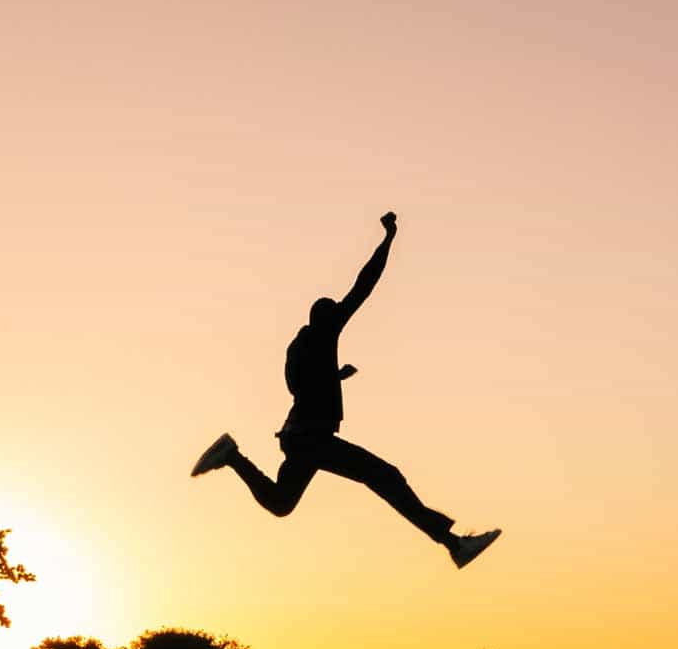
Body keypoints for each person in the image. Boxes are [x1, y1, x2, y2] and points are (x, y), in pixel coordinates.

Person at [191, 212, 500, 569]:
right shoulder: (325, 331)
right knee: (385, 476)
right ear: (324, 317)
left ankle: (231, 456)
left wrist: (334, 377)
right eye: (334, 311)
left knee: (281, 503)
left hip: (299, 436)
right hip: (311, 438)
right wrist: (388, 240)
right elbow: (363, 286)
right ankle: (454, 545)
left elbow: (297, 387)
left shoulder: (299, 346)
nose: (340, 312)